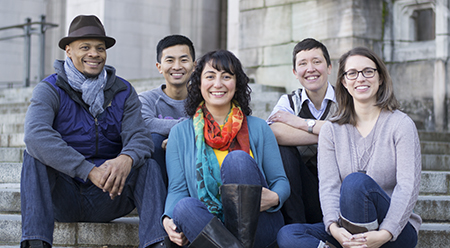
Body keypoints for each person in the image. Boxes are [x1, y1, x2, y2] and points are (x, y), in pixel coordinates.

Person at [20, 15, 169, 248]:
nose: (94, 54)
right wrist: (88, 170)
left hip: (109, 194)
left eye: (100, 48)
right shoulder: (50, 89)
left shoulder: (123, 91)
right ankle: (36, 244)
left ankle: (157, 244)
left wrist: (126, 158)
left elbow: (139, 136)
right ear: (68, 51)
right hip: (63, 196)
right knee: (33, 156)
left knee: (148, 166)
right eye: (85, 47)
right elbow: (35, 135)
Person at [277, 47, 422, 248]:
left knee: (355, 183)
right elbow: (329, 186)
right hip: (346, 231)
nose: (360, 78)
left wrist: (385, 233)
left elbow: (408, 186)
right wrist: (333, 228)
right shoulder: (332, 130)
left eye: (368, 72)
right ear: (344, 82)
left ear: (380, 78)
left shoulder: (401, 124)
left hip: (393, 232)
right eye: (352, 73)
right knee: (288, 235)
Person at [162, 50, 290, 248]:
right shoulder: (180, 133)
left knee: (237, 160)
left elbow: (280, 181)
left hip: (259, 225)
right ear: (199, 83)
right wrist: (167, 219)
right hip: (210, 227)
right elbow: (177, 189)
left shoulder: (258, 127)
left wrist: (275, 197)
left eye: (226, 76)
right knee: (183, 207)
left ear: (236, 83)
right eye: (210, 76)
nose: (218, 84)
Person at [267, 38, 337, 224]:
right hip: (302, 186)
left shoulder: (347, 100)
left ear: (329, 67)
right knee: (283, 150)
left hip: (338, 188)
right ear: (295, 72)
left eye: (317, 61)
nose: (310, 69)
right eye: (303, 64)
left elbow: (351, 132)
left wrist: (298, 122)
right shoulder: (289, 101)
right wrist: (327, 134)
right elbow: (274, 132)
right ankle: (295, 227)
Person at [139, 34, 195, 187]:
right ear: (159, 67)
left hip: (194, 168)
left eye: (183, 60)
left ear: (194, 65)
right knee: (154, 140)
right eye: (170, 60)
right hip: (159, 172)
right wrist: (186, 127)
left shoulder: (204, 100)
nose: (177, 66)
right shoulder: (147, 99)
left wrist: (177, 139)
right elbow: (145, 123)